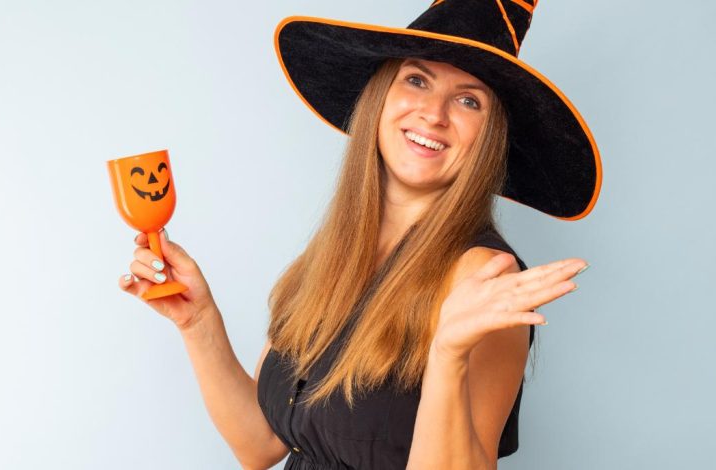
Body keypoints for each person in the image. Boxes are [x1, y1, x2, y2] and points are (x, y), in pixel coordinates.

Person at [118, 1, 601, 469]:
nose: (434, 113)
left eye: (468, 100)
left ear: (490, 136)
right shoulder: (332, 253)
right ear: (380, 97)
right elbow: (261, 446)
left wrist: (448, 354)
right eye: (417, 80)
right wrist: (198, 321)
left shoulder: (482, 275)